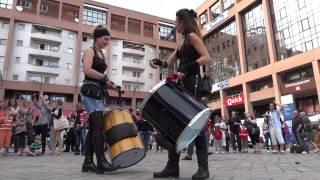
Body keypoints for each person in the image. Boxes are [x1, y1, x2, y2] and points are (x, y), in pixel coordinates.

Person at [150, 8, 211, 179]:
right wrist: (159, 62)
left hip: (193, 85)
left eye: (176, 21)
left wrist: (186, 68)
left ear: (182, 22)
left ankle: (203, 169)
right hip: (183, 86)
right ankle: (172, 167)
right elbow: (168, 62)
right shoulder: (182, 43)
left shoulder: (192, 37)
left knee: (197, 127)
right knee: (175, 125)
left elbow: (206, 57)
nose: (175, 24)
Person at [81, 25, 118, 174]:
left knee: (94, 127)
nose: (107, 42)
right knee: (98, 126)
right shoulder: (89, 51)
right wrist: (104, 77)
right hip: (90, 91)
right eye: (105, 38)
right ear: (97, 38)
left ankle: (88, 163)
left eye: (109, 39)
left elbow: (101, 76)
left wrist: (111, 85)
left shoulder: (102, 54)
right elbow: (87, 70)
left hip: (98, 92)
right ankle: (101, 162)